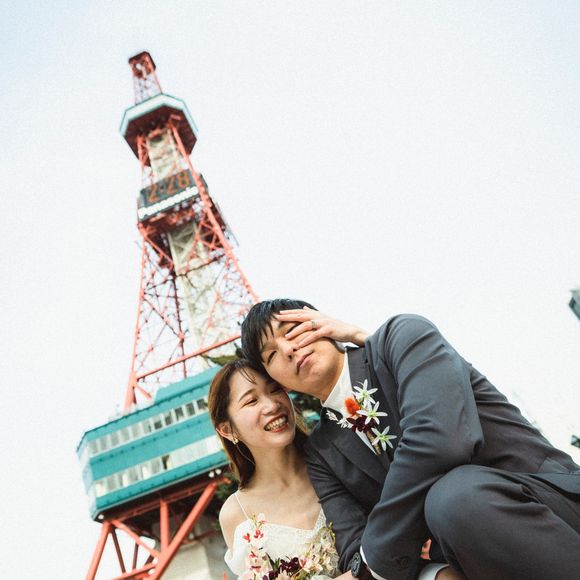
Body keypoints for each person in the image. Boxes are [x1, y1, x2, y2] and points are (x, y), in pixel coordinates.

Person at [240, 299, 580, 580]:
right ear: (278, 381)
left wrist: (380, 552)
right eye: (271, 355)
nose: (288, 349)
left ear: (322, 323)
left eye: (292, 330)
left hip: (550, 506)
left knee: (453, 499)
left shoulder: (401, 337)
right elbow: (352, 543)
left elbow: (440, 441)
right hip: (466, 561)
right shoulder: (320, 451)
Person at [209, 359, 346, 579]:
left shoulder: (337, 457)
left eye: (275, 389)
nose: (272, 405)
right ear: (227, 430)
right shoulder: (237, 514)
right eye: (251, 400)